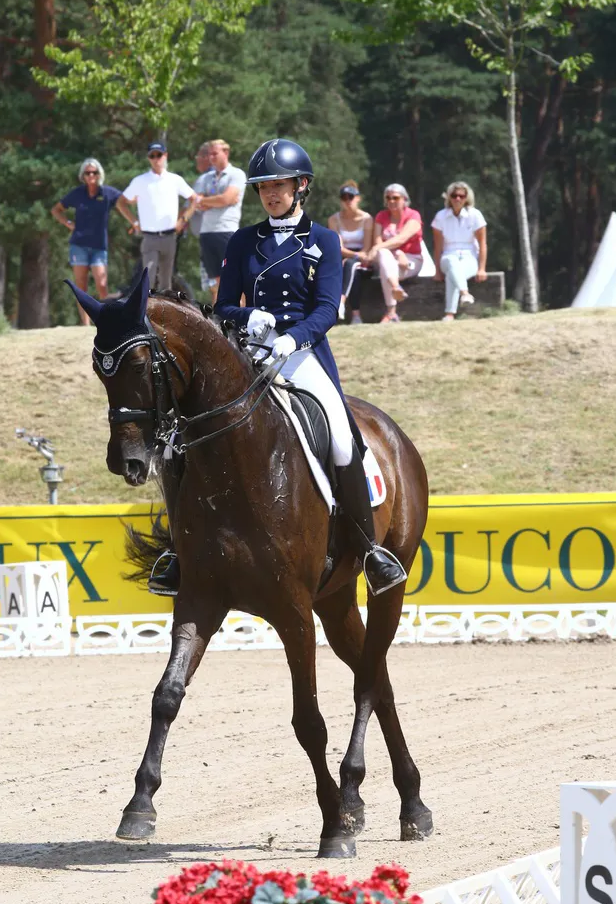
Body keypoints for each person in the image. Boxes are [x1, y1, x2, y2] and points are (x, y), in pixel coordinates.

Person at [153, 137, 404, 598]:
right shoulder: (243, 241)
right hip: (251, 351)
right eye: (264, 187)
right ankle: (176, 550)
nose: (271, 194)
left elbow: (329, 307)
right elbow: (223, 305)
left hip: (303, 352)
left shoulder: (324, 240)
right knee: (175, 442)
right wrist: (248, 317)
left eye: (279, 185)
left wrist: (294, 336)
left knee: (341, 436)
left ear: (301, 186)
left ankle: (369, 549)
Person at [51, 159, 135, 326]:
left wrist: (135, 219)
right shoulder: (77, 193)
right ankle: (85, 324)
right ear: (83, 175)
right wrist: (68, 224)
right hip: (78, 246)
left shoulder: (107, 193)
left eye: (94, 172)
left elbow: (125, 201)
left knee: (101, 284)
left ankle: (104, 322)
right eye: (88, 172)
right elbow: (56, 210)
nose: (91, 175)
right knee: (81, 286)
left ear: (99, 175)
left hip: (99, 247)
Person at [118, 141, 199, 292]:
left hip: (170, 237)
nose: (156, 159)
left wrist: (184, 220)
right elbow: (121, 202)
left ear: (165, 155)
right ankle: (145, 313)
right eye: (152, 156)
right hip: (149, 238)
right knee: (148, 277)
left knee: (166, 283)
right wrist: (134, 222)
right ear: (149, 158)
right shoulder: (140, 181)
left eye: (159, 155)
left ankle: (162, 315)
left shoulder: (175, 180)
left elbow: (194, 199)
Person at [193, 139, 246, 304]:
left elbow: (227, 198)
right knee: (214, 282)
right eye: (209, 154)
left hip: (226, 230)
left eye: (215, 153)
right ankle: (219, 321)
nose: (211, 157)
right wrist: (217, 200)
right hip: (207, 232)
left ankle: (241, 317)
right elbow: (196, 202)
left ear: (226, 153)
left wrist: (208, 200)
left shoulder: (236, 174)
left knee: (233, 278)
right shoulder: (206, 177)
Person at [431, 181, 488, 322]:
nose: (457, 199)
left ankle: (450, 314)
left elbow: (482, 244)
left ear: (466, 198)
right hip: (448, 255)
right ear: (449, 197)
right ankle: (465, 293)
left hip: (469, 257)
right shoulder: (441, 216)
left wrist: (481, 268)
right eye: (454, 195)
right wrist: (437, 270)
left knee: (454, 272)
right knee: (451, 262)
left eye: (461, 196)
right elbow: (438, 246)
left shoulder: (475, 215)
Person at [372, 183, 424, 323]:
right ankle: (396, 288)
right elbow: (377, 242)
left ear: (404, 199)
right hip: (389, 259)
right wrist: (395, 253)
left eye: (395, 198)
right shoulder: (381, 216)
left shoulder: (414, 215)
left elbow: (402, 238)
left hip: (411, 259)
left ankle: (390, 313)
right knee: (384, 256)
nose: (391, 201)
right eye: (388, 198)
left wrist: (399, 252)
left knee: (385, 265)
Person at [328, 181, 374, 324]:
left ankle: (340, 302)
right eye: (344, 198)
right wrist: (352, 256)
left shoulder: (366, 219)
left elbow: (366, 248)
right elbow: (338, 247)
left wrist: (356, 256)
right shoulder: (334, 220)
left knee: (350, 265)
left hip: (363, 260)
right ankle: (356, 315)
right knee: (351, 270)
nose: (348, 201)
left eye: (351, 197)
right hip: (343, 257)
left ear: (358, 198)